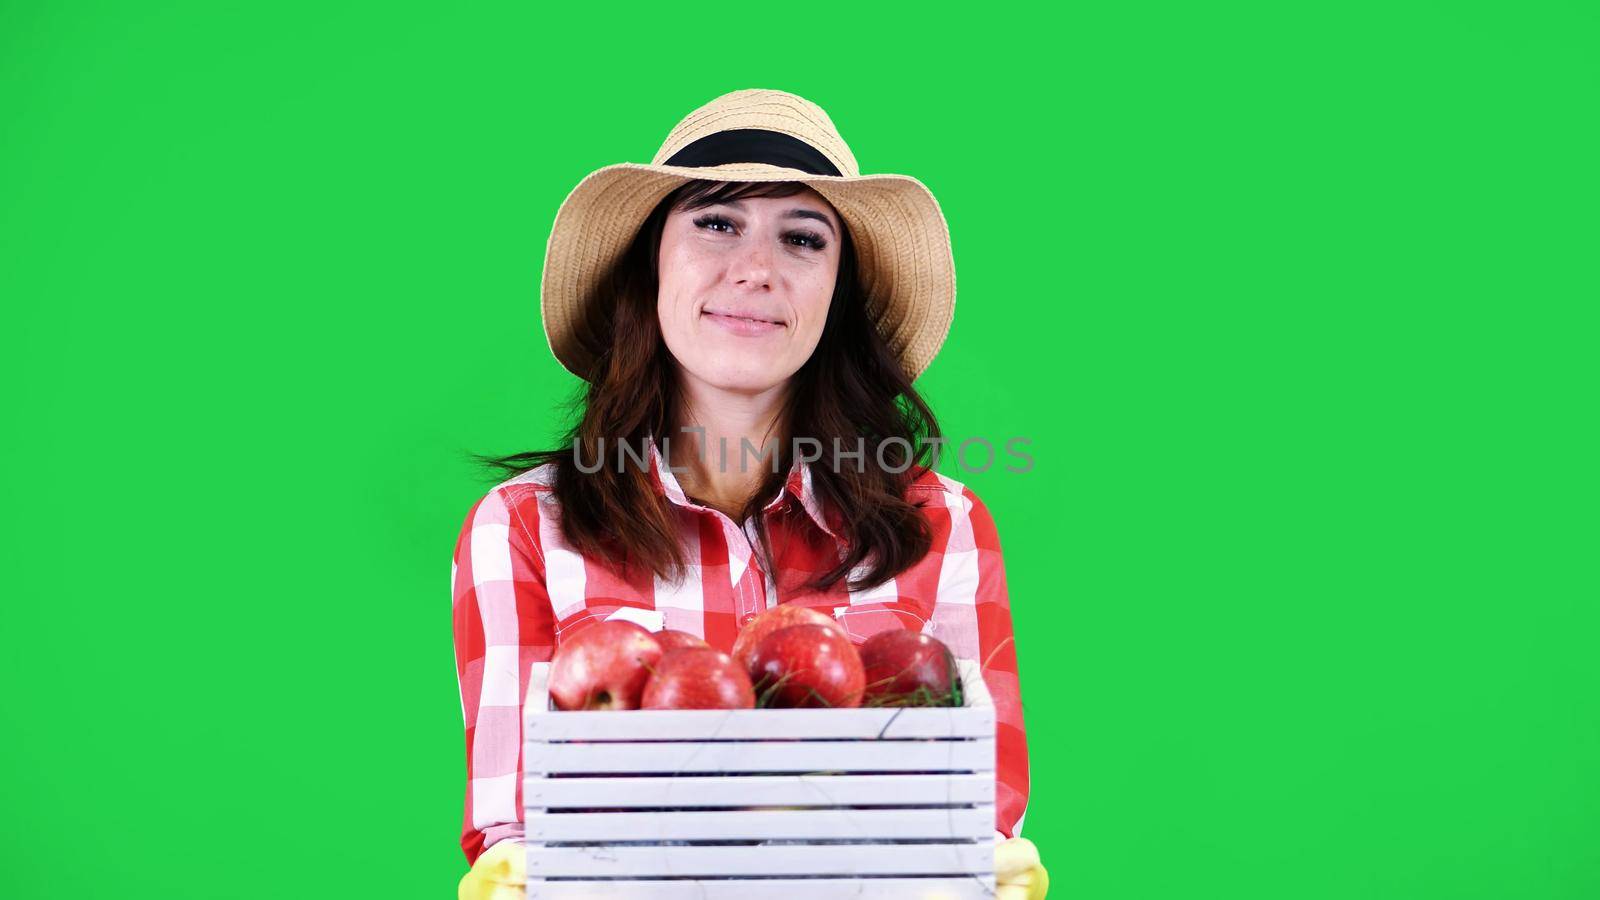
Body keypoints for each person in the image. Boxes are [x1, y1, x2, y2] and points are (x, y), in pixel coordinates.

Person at [452, 88, 1049, 899]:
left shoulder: (942, 524)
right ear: (650, 261)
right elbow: (521, 840)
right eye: (716, 222)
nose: (757, 270)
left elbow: (974, 826)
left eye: (802, 239)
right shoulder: (524, 529)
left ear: (838, 294)